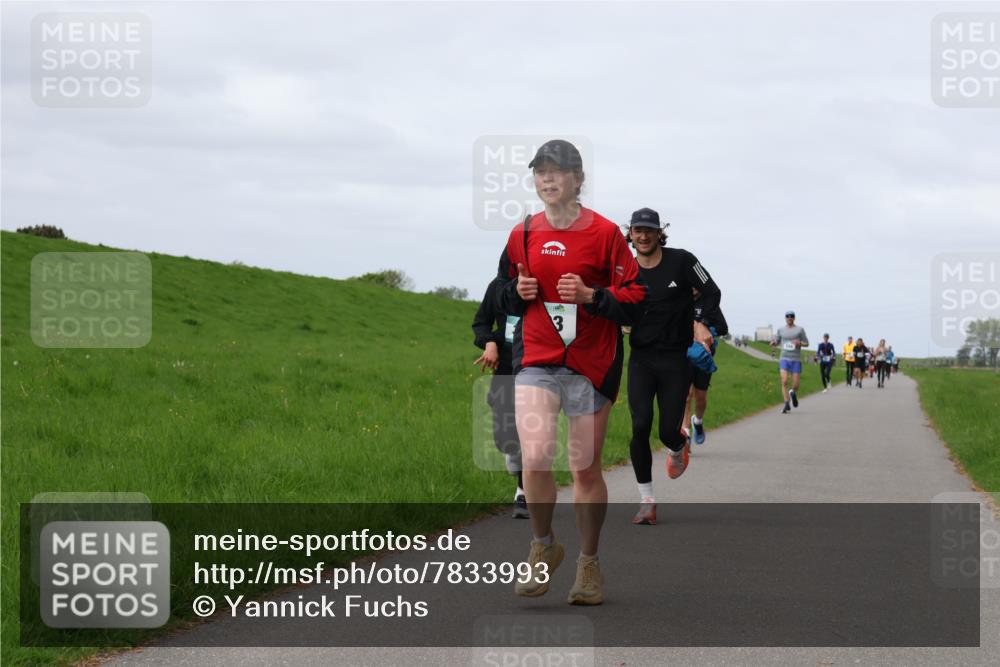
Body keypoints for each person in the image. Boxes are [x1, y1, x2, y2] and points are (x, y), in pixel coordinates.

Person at [495, 139, 645, 605]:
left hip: (590, 365)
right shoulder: (523, 232)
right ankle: (542, 546)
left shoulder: (605, 234)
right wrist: (515, 292)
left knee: (584, 469)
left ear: (578, 179)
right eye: (541, 171)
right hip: (538, 359)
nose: (548, 178)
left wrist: (593, 297)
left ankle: (589, 562)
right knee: (536, 456)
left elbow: (637, 298)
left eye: (558, 171)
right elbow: (498, 292)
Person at [624, 208, 720, 526]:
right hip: (640, 358)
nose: (643, 235)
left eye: (649, 230)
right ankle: (646, 500)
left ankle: (678, 446)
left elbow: (712, 292)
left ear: (659, 232)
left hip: (675, 360)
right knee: (639, 425)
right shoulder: (624, 268)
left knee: (667, 430)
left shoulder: (682, 260)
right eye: (638, 230)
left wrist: (699, 321)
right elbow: (613, 300)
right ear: (631, 233)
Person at [472, 276, 528, 519]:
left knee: (531, 428)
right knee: (506, 439)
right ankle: (514, 455)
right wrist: (489, 343)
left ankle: (523, 493)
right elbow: (481, 322)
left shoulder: (546, 280)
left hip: (536, 365)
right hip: (505, 365)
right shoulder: (498, 285)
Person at [684, 286, 728, 446]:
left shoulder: (710, 304)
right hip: (684, 355)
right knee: (686, 396)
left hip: (703, 357)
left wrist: (703, 326)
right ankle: (686, 434)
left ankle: (698, 421)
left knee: (700, 397)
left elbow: (723, 328)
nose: (693, 287)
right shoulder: (681, 300)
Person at [771, 311, 809, 413]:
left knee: (796, 385)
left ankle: (792, 392)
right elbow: (777, 341)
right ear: (785, 318)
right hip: (784, 358)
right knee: (784, 381)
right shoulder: (781, 330)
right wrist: (773, 342)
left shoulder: (800, 330)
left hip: (795, 359)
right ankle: (787, 403)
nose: (789, 318)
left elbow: (807, 343)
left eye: (791, 316)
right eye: (787, 316)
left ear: (794, 318)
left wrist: (799, 342)